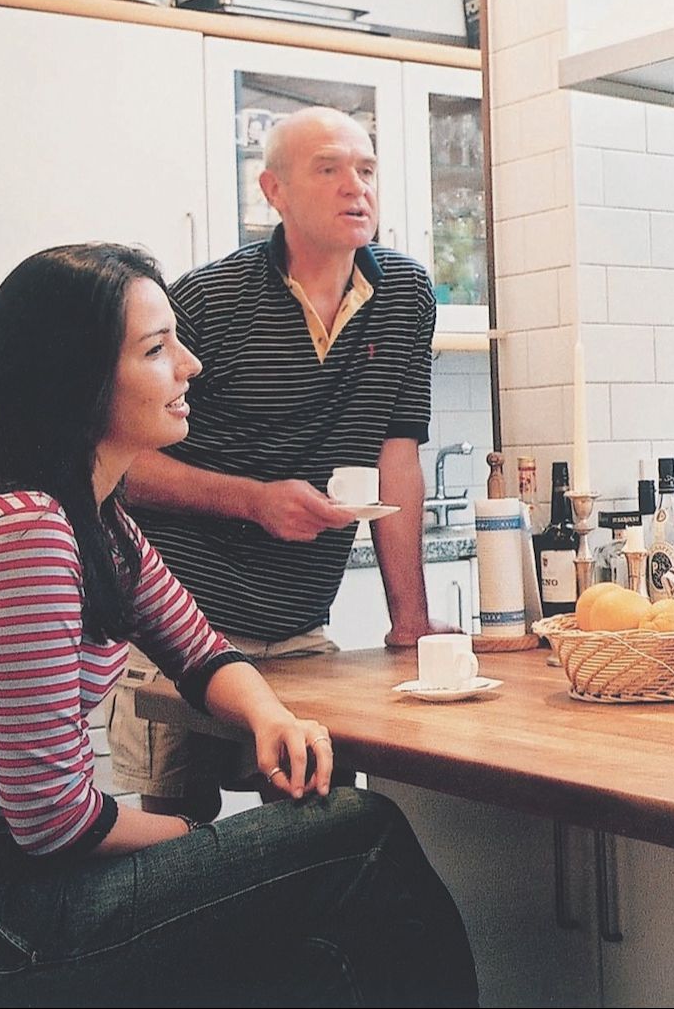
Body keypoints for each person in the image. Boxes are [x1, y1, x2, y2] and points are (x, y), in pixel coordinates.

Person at [0, 244, 476, 1007]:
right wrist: (201, 844)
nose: (190, 365)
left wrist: (271, 716)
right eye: (157, 349)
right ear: (78, 378)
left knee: (324, 951)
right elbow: (51, 819)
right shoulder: (24, 529)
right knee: (361, 831)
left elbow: (200, 650)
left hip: (30, 889)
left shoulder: (97, 519)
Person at [110, 106, 448, 822]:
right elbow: (124, 468)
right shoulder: (206, 298)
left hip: (299, 626)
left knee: (318, 815)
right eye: (329, 169)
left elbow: (397, 454)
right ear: (274, 192)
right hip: (178, 625)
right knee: (177, 831)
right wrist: (255, 500)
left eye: (366, 169)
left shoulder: (406, 297)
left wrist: (411, 622)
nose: (356, 186)